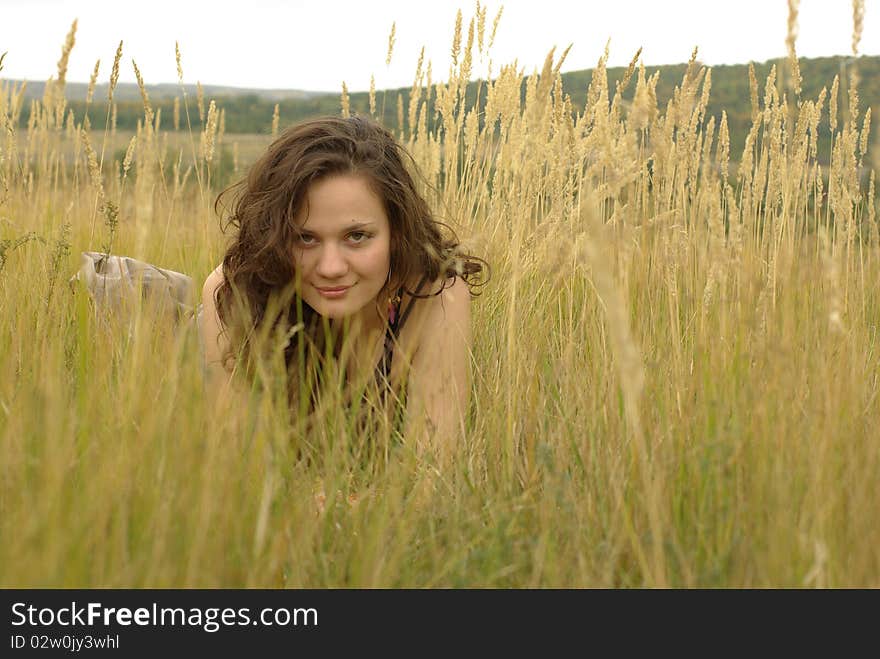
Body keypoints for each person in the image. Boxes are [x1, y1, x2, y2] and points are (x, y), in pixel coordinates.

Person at [199, 115, 488, 461]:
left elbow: (433, 469)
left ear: (397, 232)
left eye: (356, 236)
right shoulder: (232, 290)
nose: (331, 268)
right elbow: (238, 466)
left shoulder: (435, 296)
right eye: (305, 238)